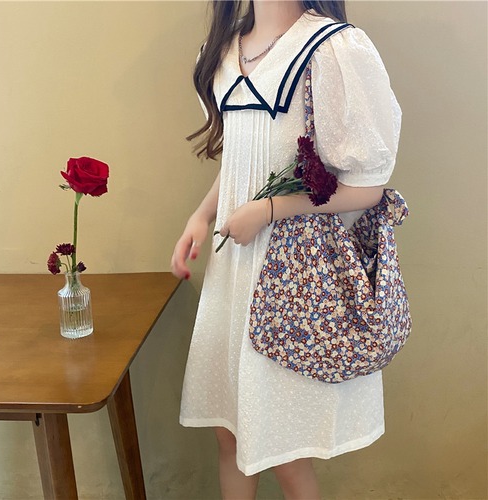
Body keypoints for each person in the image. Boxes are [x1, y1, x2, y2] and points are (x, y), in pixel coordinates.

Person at [171, 1, 401, 498]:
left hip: (291, 281)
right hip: (233, 271)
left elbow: (368, 188)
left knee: (284, 452)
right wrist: (201, 216)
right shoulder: (223, 50)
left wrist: (270, 210)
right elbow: (242, 155)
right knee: (228, 434)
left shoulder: (332, 47)